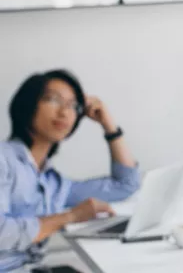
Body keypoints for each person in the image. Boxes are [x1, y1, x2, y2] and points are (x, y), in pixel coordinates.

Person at [0, 69, 140, 271]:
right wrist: (70, 216)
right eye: (53, 99)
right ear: (27, 105)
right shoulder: (4, 159)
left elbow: (125, 184)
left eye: (73, 106)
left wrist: (109, 127)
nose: (64, 112)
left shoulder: (54, 184)